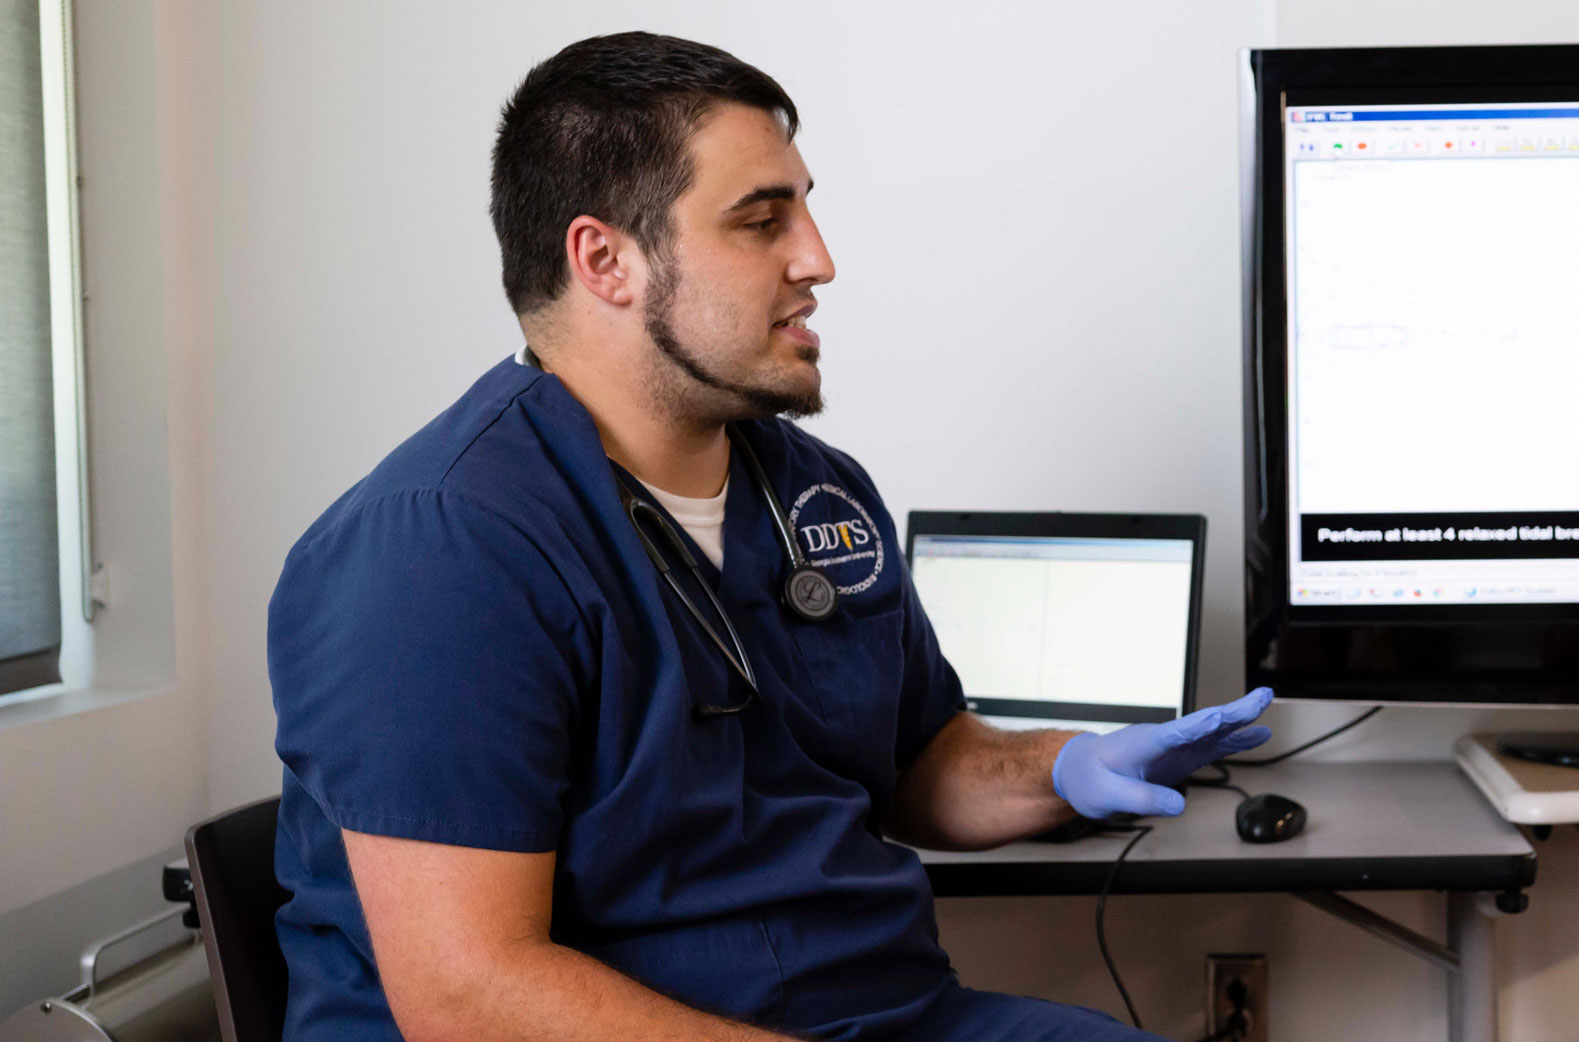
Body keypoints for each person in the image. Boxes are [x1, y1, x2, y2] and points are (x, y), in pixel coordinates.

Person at [266, 32, 1270, 1042]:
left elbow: (919, 760)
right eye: (761, 220)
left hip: (893, 1016)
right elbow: (469, 994)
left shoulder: (812, 492)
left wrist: (1065, 766)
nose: (818, 259)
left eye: (804, 207)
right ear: (605, 259)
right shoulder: (440, 549)